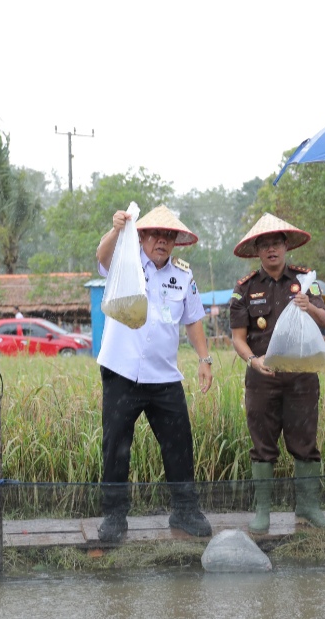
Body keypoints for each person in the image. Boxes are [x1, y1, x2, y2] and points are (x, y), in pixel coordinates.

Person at [94, 205, 214, 542]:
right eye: (155, 234)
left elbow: (192, 320)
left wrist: (205, 360)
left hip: (164, 376)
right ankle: (115, 517)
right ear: (143, 236)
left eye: (168, 235)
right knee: (116, 445)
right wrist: (116, 230)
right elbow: (102, 257)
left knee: (179, 444)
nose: (162, 240)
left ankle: (185, 510)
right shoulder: (126, 261)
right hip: (122, 371)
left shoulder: (183, 276)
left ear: (175, 241)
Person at [229, 214, 325, 532]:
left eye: (276, 243)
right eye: (265, 244)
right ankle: (263, 512)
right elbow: (238, 338)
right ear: (258, 250)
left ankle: (308, 508)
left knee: (305, 441)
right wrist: (252, 361)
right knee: (262, 445)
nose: (272, 249)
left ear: (286, 247)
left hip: (302, 376)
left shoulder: (305, 280)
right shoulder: (245, 288)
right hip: (262, 377)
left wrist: (309, 306)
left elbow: (324, 321)